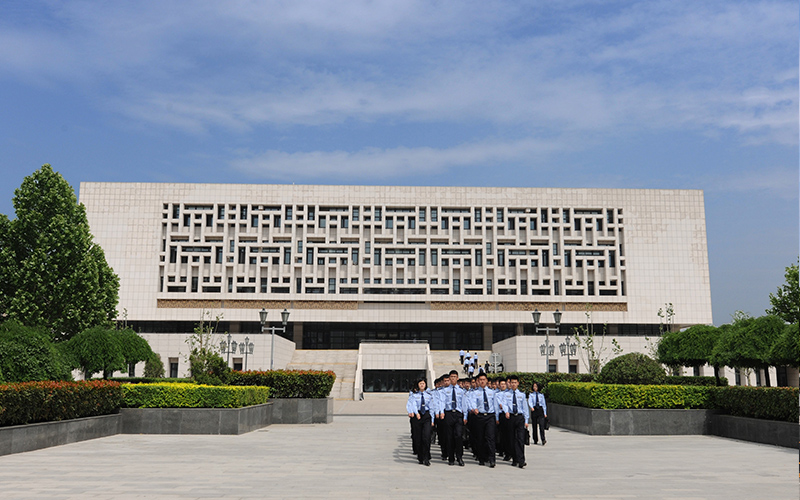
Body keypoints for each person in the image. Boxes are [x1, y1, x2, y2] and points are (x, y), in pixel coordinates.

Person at [465, 372, 499, 467]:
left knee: (490, 437)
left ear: (487, 381)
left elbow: (495, 405)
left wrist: (497, 417)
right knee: (480, 437)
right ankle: (482, 457)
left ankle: (492, 459)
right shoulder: (475, 393)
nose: (482, 381)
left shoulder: (492, 392)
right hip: (479, 416)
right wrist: (474, 408)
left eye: (484, 380)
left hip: (490, 416)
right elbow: (472, 402)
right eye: (480, 380)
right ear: (478, 381)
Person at [438, 370, 467, 466]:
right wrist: (441, 412)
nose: (453, 378)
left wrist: (465, 415)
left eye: (455, 377)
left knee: (458, 435)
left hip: (458, 414)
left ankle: (459, 457)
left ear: (457, 378)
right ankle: (451, 457)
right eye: (451, 377)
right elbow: (442, 401)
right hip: (448, 413)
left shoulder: (461, 391)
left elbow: (464, 404)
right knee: (449, 436)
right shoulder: (445, 390)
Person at [407, 378, 435, 466]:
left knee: (426, 437)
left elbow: (431, 407)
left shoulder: (429, 395)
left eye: (423, 383)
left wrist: (432, 419)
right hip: (418, 416)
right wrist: (416, 413)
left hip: (426, 416)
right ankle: (420, 456)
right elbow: (413, 404)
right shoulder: (414, 395)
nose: (422, 385)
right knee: (418, 437)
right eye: (420, 383)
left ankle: (426, 457)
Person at [504, 375, 529, 468]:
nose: (513, 384)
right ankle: (515, 458)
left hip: (519, 417)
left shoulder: (521, 395)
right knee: (511, 439)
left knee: (520, 439)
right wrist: (506, 411)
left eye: (515, 382)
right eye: (512, 383)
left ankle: (521, 460)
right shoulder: (506, 395)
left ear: (518, 383)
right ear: (509, 384)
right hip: (510, 418)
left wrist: (526, 420)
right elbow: (505, 404)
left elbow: (525, 408)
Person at [528, 381, 548, 446]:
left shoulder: (541, 395)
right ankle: (535, 439)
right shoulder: (531, 395)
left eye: (536, 386)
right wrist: (531, 407)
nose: (535, 388)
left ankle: (543, 439)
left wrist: (545, 413)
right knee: (534, 426)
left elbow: (544, 404)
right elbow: (530, 401)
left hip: (540, 410)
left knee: (541, 426)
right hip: (534, 410)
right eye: (534, 386)